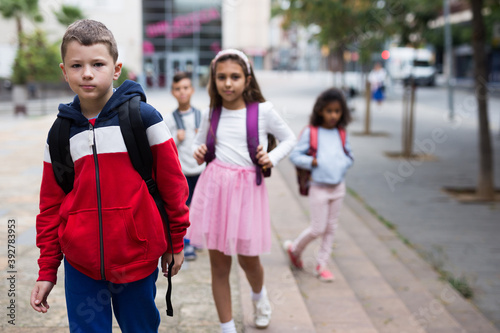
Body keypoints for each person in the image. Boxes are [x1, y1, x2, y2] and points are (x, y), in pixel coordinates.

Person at [29, 19, 190, 333]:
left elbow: (173, 187)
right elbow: (50, 206)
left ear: (117, 69)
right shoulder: (60, 133)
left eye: (97, 64)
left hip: (137, 257)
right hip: (81, 265)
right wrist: (47, 270)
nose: (87, 73)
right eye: (77, 65)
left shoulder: (144, 119)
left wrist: (176, 241)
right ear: (64, 71)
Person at [189, 49, 296, 332]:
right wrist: (198, 151)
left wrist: (270, 158)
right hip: (214, 192)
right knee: (219, 266)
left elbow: (289, 138)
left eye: (235, 77)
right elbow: (197, 144)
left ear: (247, 80)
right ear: (214, 80)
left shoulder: (263, 111)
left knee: (249, 260)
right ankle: (227, 328)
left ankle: (259, 298)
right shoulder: (211, 113)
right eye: (221, 77)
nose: (228, 83)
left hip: (247, 193)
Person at [284, 87, 353, 282]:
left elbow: (349, 155)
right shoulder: (311, 132)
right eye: (329, 111)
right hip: (318, 187)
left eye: (337, 111)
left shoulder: (341, 133)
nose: (333, 115)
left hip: (338, 187)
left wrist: (342, 164)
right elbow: (295, 156)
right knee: (317, 228)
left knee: (331, 228)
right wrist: (312, 162)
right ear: (320, 110)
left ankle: (322, 264)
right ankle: (295, 250)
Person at [165, 71, 205, 261]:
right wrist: (176, 139)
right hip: (182, 172)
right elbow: (164, 147)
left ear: (192, 90)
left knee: (199, 207)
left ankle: (196, 238)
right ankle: (186, 244)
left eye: (186, 88)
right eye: (178, 89)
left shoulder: (201, 116)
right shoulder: (170, 119)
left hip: (201, 170)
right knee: (185, 208)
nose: (182, 92)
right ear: (173, 92)